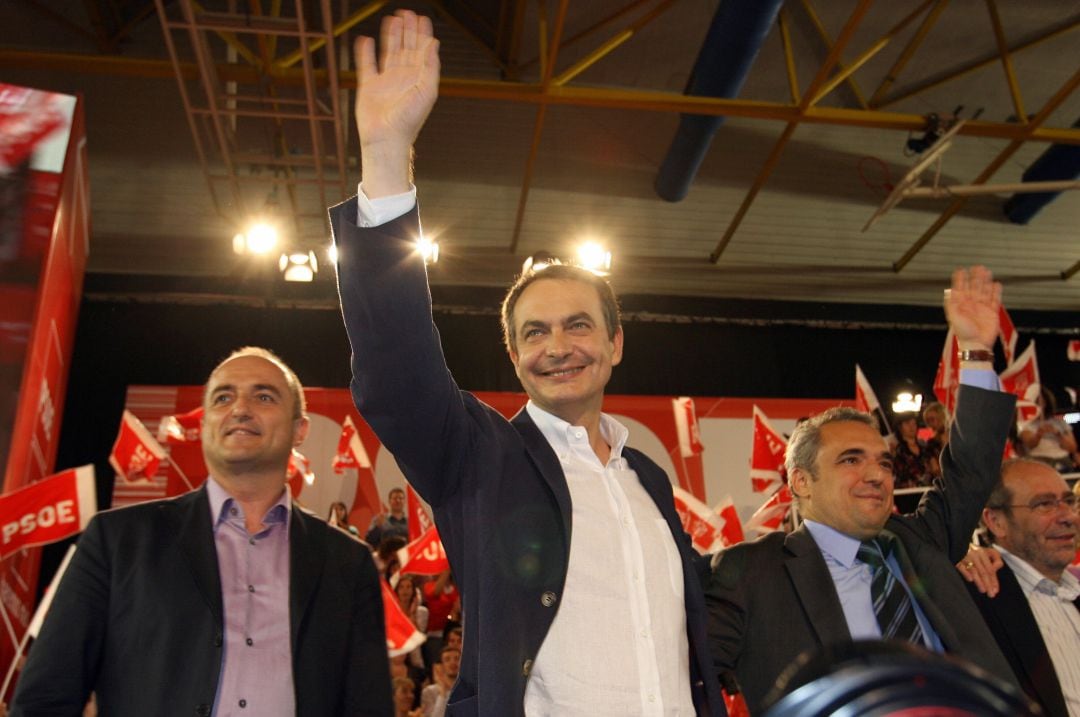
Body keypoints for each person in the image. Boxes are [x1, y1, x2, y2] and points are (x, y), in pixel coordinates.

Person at [332, 10, 721, 716]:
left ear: (616, 343)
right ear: (514, 357)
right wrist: (386, 157)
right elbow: (395, 373)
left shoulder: (651, 481)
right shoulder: (483, 456)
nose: (557, 345)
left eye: (578, 324)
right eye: (534, 332)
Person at [705, 266, 1020, 714]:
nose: (877, 474)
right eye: (851, 460)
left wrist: (975, 351)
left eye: (885, 462)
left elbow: (971, 467)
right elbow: (682, 669)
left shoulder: (922, 540)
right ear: (800, 481)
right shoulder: (750, 573)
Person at [12, 347, 392, 716]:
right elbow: (45, 699)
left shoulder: (348, 563)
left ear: (299, 430)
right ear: (206, 423)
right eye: (223, 398)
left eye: (264, 396)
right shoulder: (116, 541)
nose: (240, 409)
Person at [960, 459, 1080, 717]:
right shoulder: (974, 597)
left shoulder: (1075, 590)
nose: (1068, 516)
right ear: (996, 521)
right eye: (1044, 504)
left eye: (1069, 501)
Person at [1019, 387, 1078, 472]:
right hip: (1039, 460)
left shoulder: (1060, 423)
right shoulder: (1025, 425)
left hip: (1062, 460)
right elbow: (1029, 444)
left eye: (1041, 401)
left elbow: (1072, 447)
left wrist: (1058, 434)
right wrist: (1039, 434)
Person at [892, 413, 934, 488]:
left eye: (914, 423)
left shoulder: (925, 448)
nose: (911, 427)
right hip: (907, 491)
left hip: (928, 489)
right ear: (900, 427)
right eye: (907, 423)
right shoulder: (897, 450)